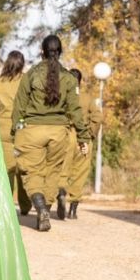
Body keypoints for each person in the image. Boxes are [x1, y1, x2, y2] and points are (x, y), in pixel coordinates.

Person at [11, 35, 91, 232]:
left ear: (42, 51)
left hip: (32, 131)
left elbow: (19, 106)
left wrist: (15, 130)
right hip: (58, 133)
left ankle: (39, 207)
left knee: (33, 172)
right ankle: (46, 207)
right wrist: (82, 137)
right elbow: (76, 110)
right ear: (60, 52)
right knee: (53, 171)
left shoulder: (30, 75)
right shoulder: (70, 79)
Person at [58, 67, 102, 220]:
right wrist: (90, 133)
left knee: (63, 169)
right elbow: (97, 117)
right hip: (84, 138)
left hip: (66, 136)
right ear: (80, 82)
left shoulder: (61, 97)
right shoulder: (88, 98)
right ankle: (73, 210)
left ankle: (61, 192)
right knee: (80, 173)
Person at [0, 50, 32, 215]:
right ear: (22, 64)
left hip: (1, 130)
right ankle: (25, 205)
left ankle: (5, 207)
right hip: (22, 129)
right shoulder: (26, 81)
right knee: (23, 168)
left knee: (6, 170)